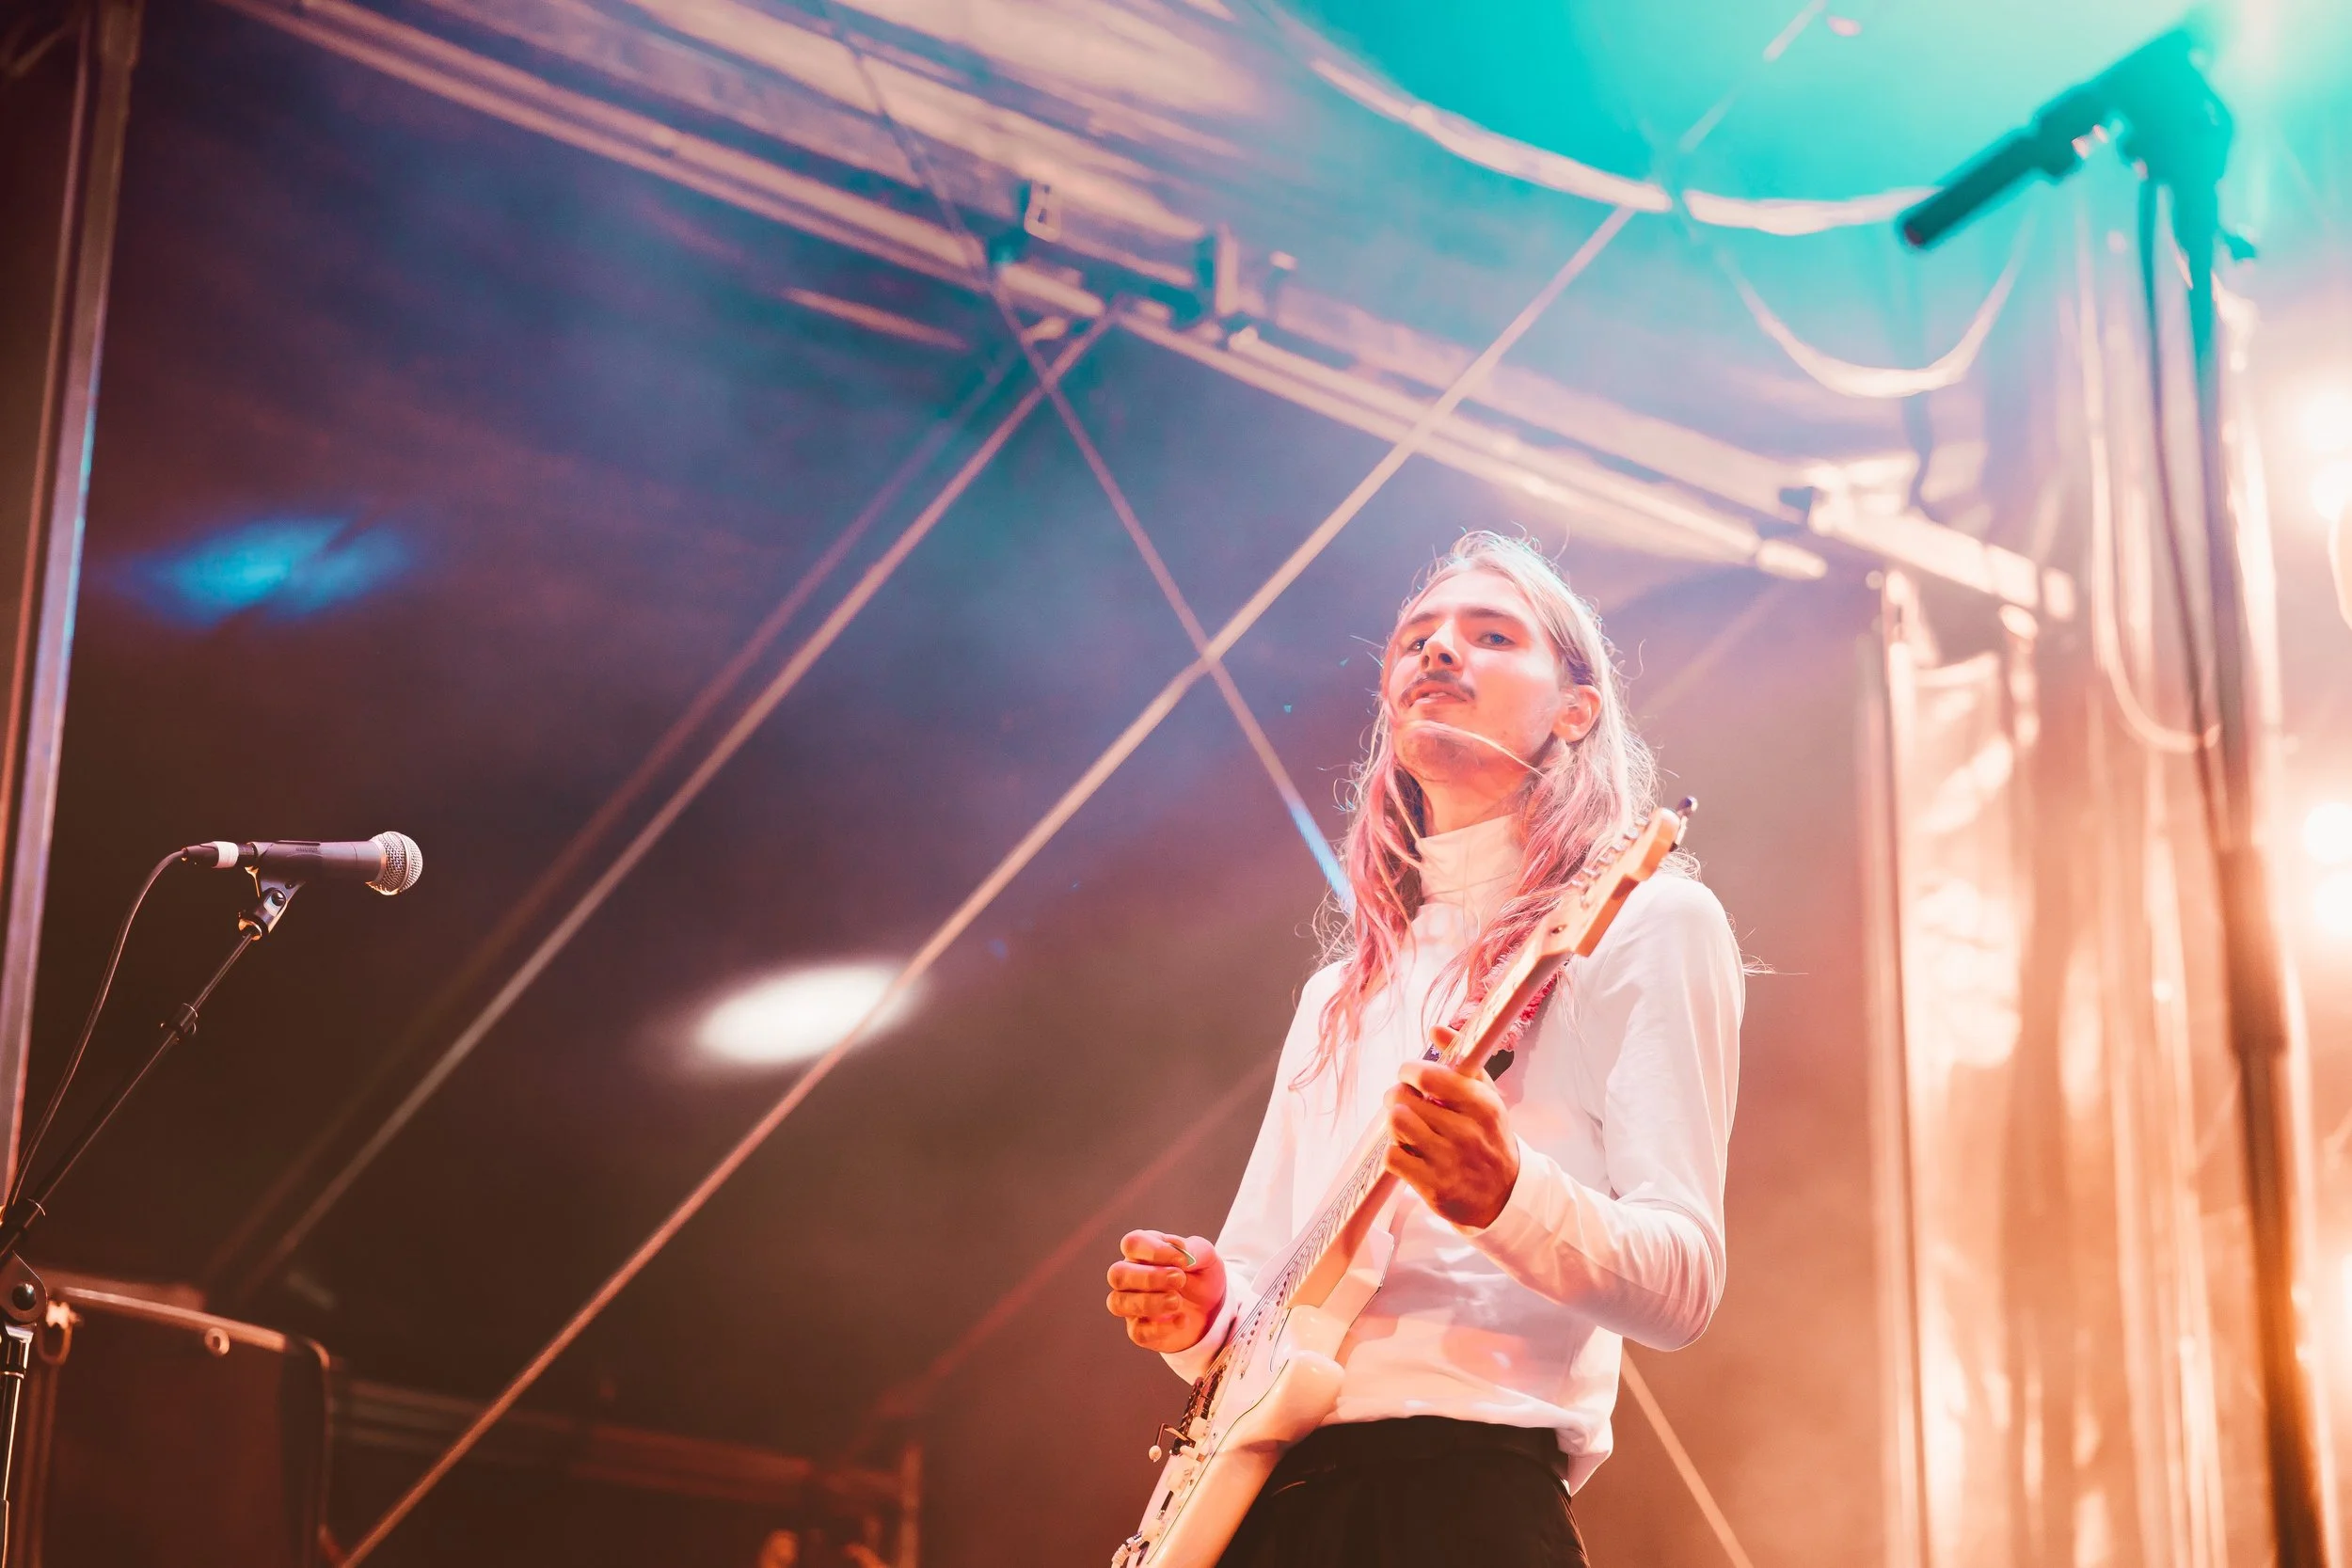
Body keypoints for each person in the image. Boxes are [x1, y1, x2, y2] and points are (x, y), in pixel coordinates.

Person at [1104, 531, 1744, 1567]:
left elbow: (1683, 1285)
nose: (1439, 650)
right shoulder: (1337, 995)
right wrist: (1206, 1308)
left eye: (1491, 635)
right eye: (1416, 639)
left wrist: (1504, 1194)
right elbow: (1261, 1292)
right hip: (1271, 1507)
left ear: (1575, 709)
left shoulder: (1644, 921)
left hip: (1466, 1501)